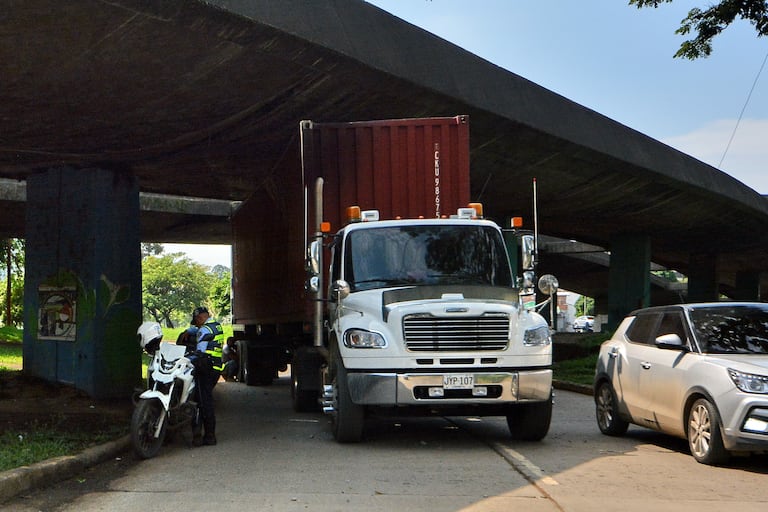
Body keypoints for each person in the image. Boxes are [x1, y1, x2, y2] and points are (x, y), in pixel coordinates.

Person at [180, 306, 224, 446]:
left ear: (200, 318)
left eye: (196, 321)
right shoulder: (216, 326)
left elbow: (200, 352)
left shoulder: (204, 330)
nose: (196, 324)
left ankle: (207, 436)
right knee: (205, 400)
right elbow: (199, 330)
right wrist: (189, 330)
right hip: (216, 368)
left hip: (206, 369)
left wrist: (186, 359)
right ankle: (204, 435)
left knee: (202, 402)